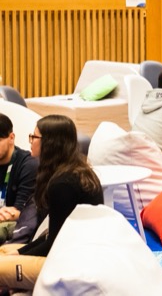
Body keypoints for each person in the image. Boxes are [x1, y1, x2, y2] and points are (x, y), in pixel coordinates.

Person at [0, 114, 103, 291]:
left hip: (70, 263)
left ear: (50, 143)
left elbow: (54, 243)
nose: (30, 141)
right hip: (67, 252)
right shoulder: (71, 172)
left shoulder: (63, 184)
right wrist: (18, 252)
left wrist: (19, 255)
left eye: (34, 137)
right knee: (3, 252)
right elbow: (52, 235)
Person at [0, 114, 38, 244]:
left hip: (16, 229)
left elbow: (20, 212)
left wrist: (12, 213)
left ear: (11, 138)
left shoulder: (28, 165)